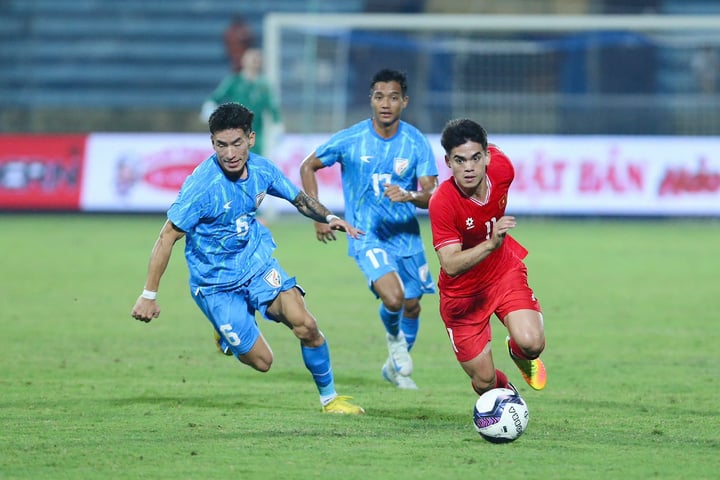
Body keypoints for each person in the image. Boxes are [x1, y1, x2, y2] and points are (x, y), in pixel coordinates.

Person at [131, 102, 364, 415]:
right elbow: (167, 237)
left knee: (306, 325)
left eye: (236, 143)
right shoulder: (201, 188)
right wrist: (149, 295)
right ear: (212, 143)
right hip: (215, 284)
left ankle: (330, 399)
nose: (229, 153)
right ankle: (223, 330)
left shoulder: (262, 170)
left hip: (256, 264)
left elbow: (299, 199)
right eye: (221, 145)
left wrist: (329, 216)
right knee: (263, 363)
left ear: (250, 139)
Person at [300, 68, 438, 390]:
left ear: (404, 101)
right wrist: (320, 216)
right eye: (379, 97)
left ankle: (394, 367)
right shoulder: (352, 139)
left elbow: (432, 195)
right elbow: (309, 166)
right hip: (366, 235)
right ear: (371, 100)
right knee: (394, 298)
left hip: (406, 237)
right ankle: (394, 341)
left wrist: (410, 195)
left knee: (412, 305)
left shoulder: (416, 142)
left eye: (393, 97)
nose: (385, 104)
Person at [428, 118, 547, 398]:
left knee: (532, 344)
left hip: (501, 271)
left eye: (475, 158)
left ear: (487, 156)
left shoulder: (503, 169)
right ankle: (508, 400)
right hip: (462, 296)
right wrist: (490, 244)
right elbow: (450, 264)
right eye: (459, 160)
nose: (468, 167)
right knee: (484, 382)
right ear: (447, 162)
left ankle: (519, 354)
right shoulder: (442, 202)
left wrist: (495, 250)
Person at [200, 48, 283, 158]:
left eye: (257, 59)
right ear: (244, 61)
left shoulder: (264, 85)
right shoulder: (235, 81)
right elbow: (216, 97)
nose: (255, 61)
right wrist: (209, 108)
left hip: (256, 133)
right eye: (252, 58)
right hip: (233, 129)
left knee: (254, 161)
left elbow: (273, 107)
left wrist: (277, 125)